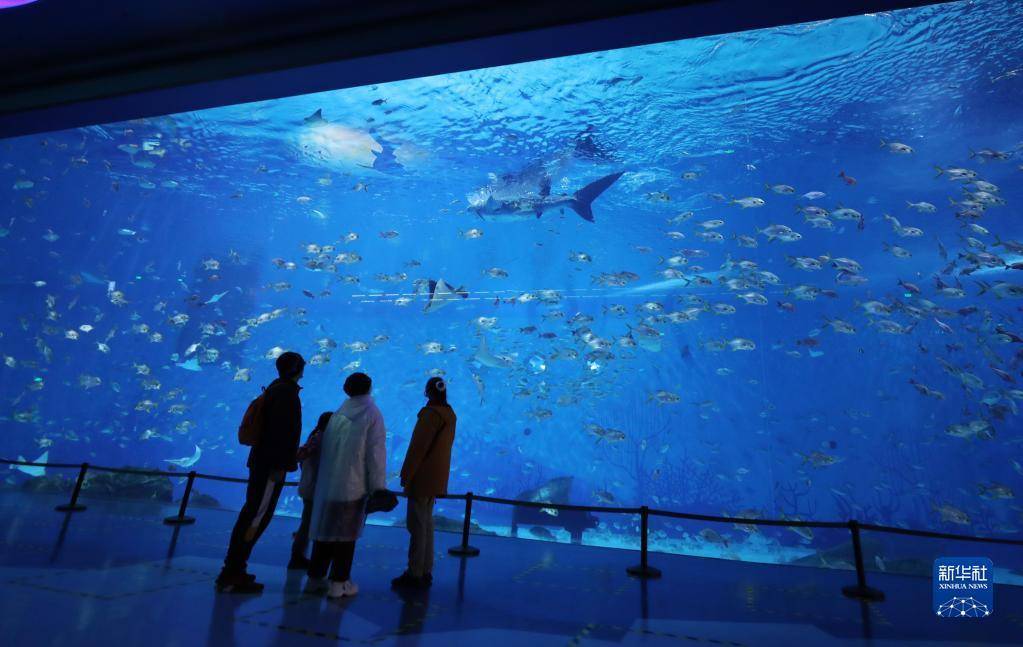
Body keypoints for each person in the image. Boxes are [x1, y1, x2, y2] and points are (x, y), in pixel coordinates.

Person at [217, 351, 305, 593]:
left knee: (253, 511)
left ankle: (234, 568)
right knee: (256, 514)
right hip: (270, 466)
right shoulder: (286, 394)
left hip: (263, 462)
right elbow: (280, 434)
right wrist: (280, 466)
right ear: (297, 369)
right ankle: (233, 570)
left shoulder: (275, 389)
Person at [305, 372, 387, 599]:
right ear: (369, 388)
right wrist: (378, 486)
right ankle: (339, 583)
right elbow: (375, 453)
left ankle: (315, 578)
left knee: (325, 534)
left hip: (329, 485)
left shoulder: (338, 413)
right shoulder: (372, 414)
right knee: (346, 537)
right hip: (353, 485)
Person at [392, 377, 457, 590]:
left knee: (417, 526)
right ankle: (426, 569)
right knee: (427, 525)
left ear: (428, 392)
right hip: (437, 477)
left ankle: (414, 573)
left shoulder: (431, 415)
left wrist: (406, 473)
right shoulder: (449, 414)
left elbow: (417, 448)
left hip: (422, 477)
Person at [288, 410, 333, 570]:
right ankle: (297, 557)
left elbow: (301, 457)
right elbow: (300, 455)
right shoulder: (321, 438)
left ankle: (299, 555)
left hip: (310, 488)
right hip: (314, 490)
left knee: (307, 524)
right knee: (308, 525)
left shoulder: (316, 437)